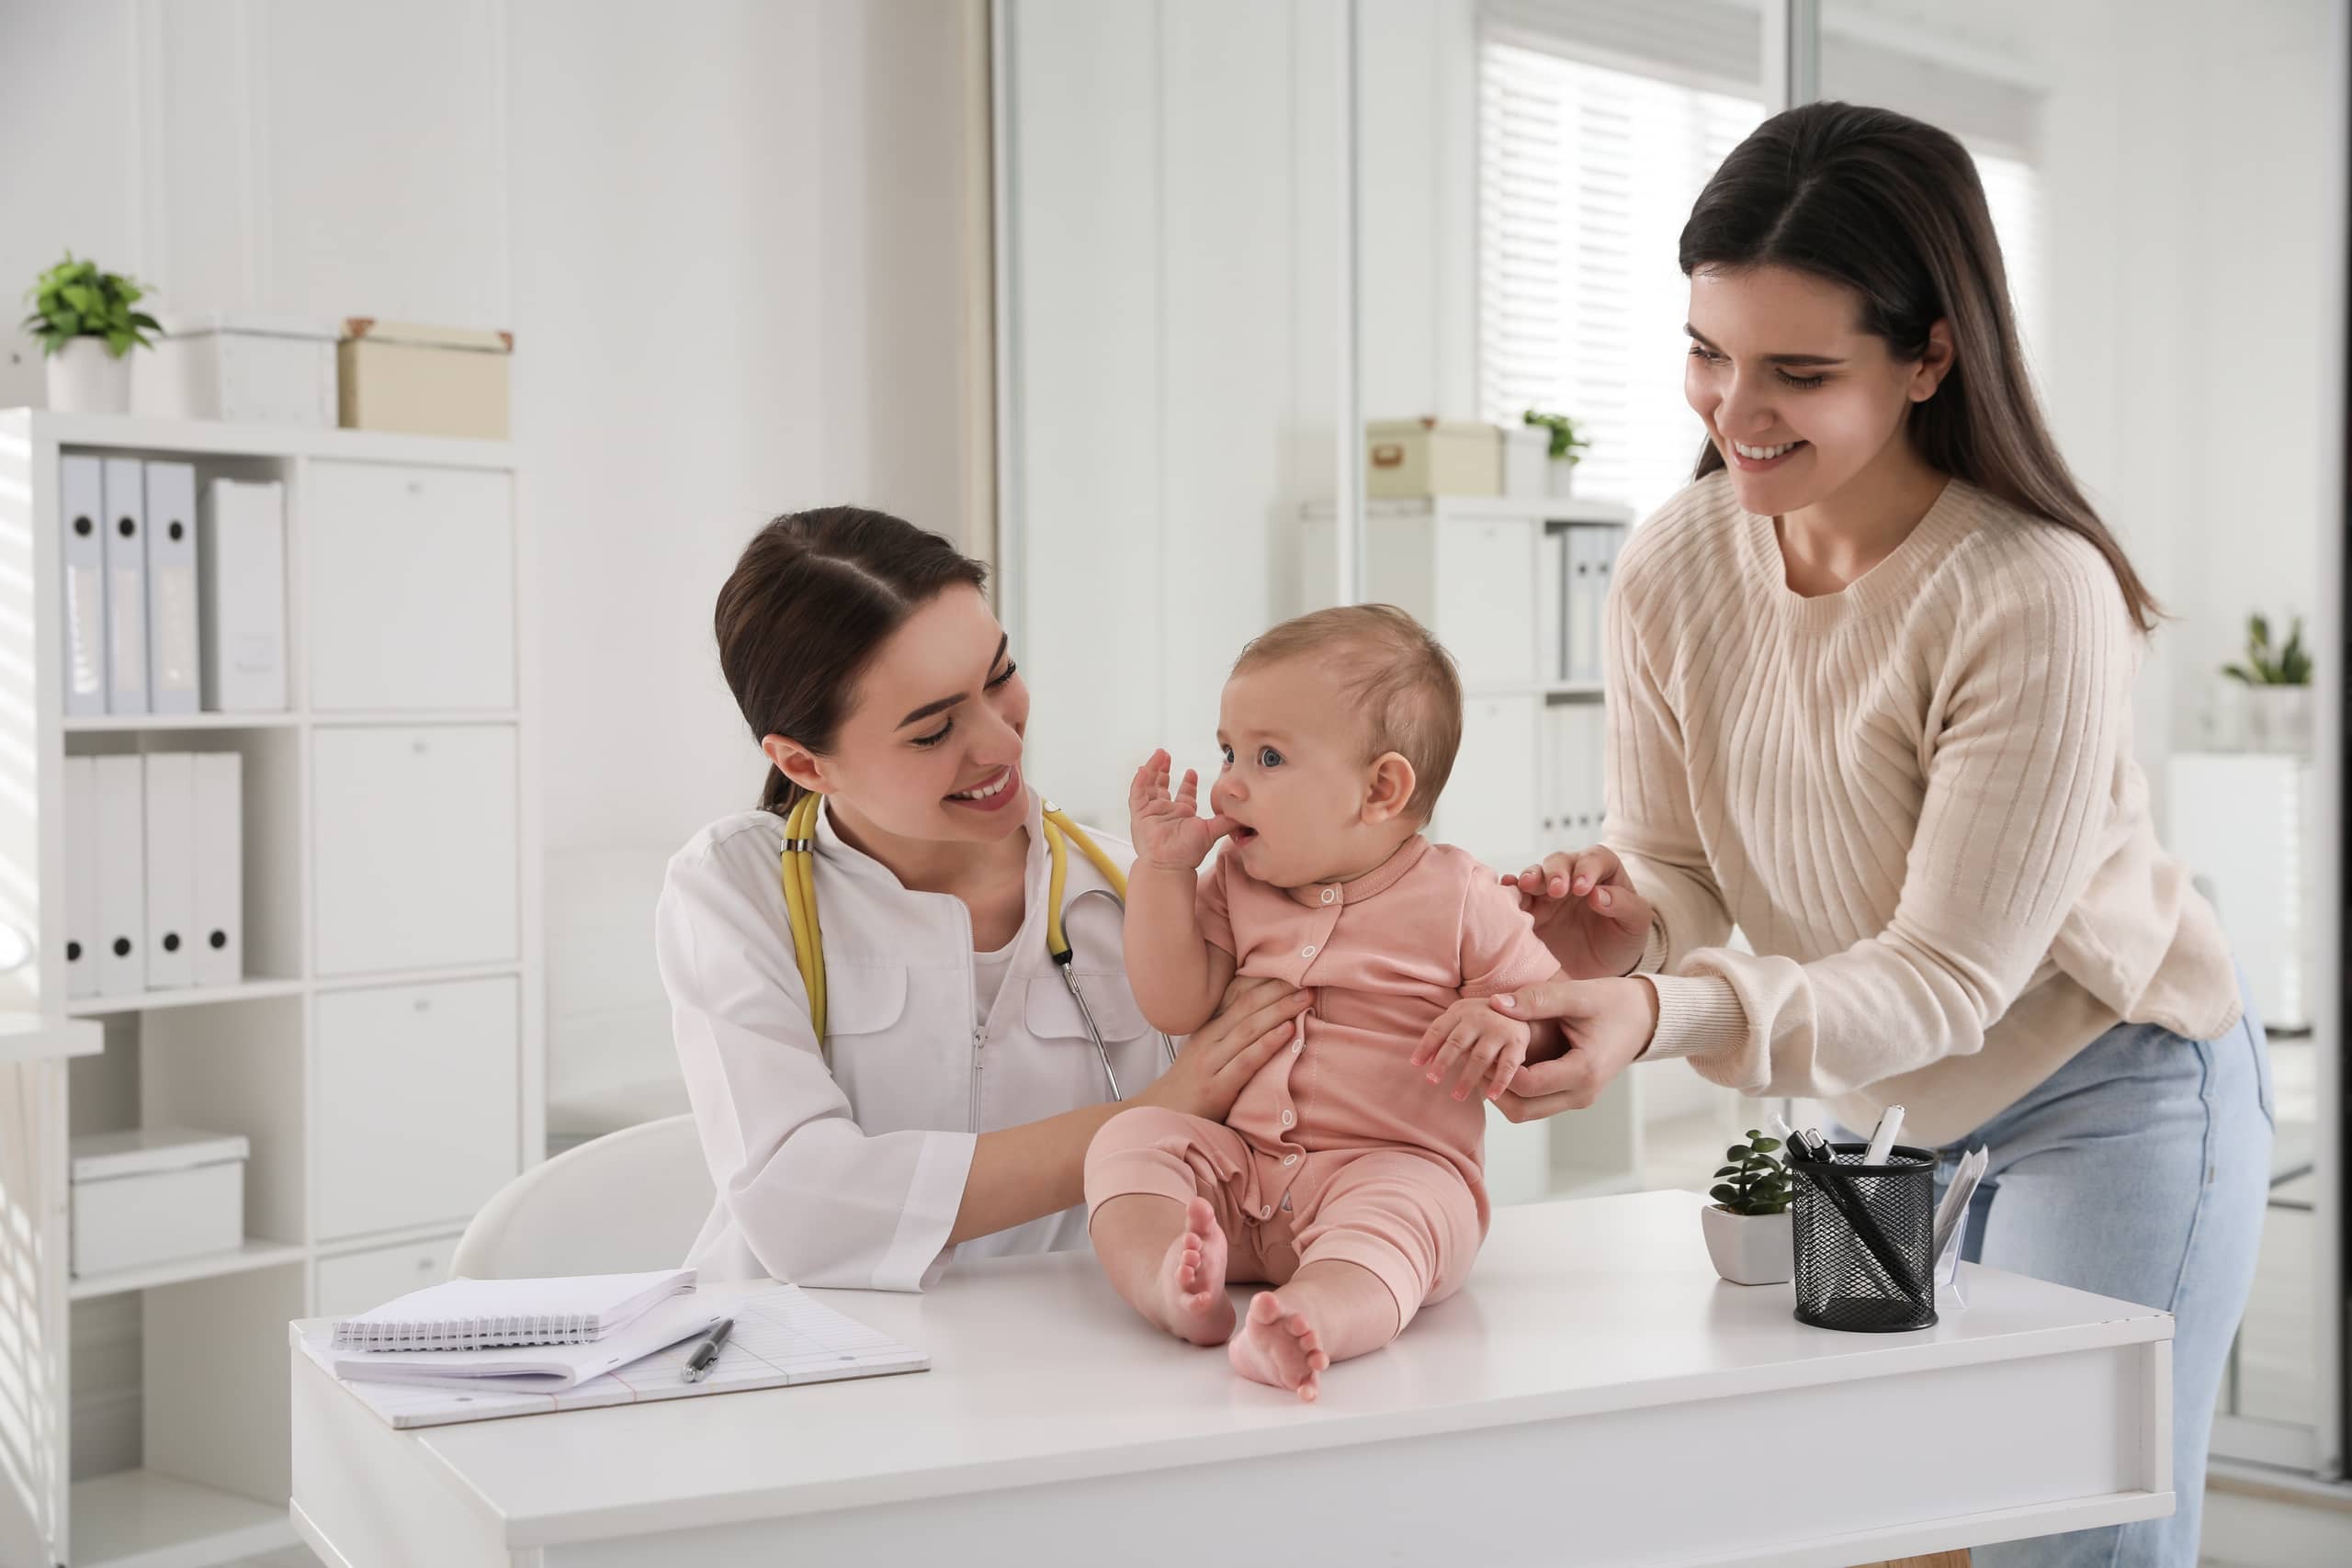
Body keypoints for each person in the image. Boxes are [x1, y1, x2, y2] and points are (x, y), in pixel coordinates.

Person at [1488, 103, 2268, 1568]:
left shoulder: (2030, 589)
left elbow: (1945, 974)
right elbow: (1678, 856)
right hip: (1868, 1108)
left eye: (1799, 371)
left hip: (2098, 1090)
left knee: (2069, 1537)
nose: (1733, 410)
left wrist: (1659, 1007)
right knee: (1864, 1513)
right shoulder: (1672, 558)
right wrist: (1629, 919)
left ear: (1928, 356)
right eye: (1708, 351)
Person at [658, 506, 1313, 1291]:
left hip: (1080, 1370)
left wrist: (1483, 1005)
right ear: (804, 763)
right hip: (811, 1376)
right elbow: (804, 1210)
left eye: (999, 677)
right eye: (934, 730)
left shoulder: (1143, 893)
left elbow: (1320, 1079)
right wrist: (1161, 1111)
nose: (1004, 743)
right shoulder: (736, 891)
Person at [1085, 606, 1564, 1400]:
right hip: (1242, 1176)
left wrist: (1509, 1023)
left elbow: (1554, 1020)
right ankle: (1172, 1280)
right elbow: (1174, 1002)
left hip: (1386, 1170)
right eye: (1228, 750)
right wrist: (1164, 874)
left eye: (1269, 757)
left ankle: (1311, 1316)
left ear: (1380, 789)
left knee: (1410, 1214)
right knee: (1129, 1140)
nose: (1231, 781)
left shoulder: (1459, 893)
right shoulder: (1235, 883)